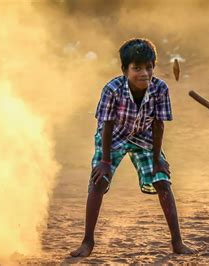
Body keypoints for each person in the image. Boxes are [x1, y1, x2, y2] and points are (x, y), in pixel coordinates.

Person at [71, 38, 195, 257]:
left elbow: (158, 124)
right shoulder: (112, 89)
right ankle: (87, 241)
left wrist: (158, 159)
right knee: (98, 181)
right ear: (124, 70)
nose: (144, 73)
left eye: (149, 67)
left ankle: (177, 242)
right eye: (137, 68)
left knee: (163, 182)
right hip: (113, 138)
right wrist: (105, 161)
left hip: (144, 137)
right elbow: (107, 124)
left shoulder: (160, 89)